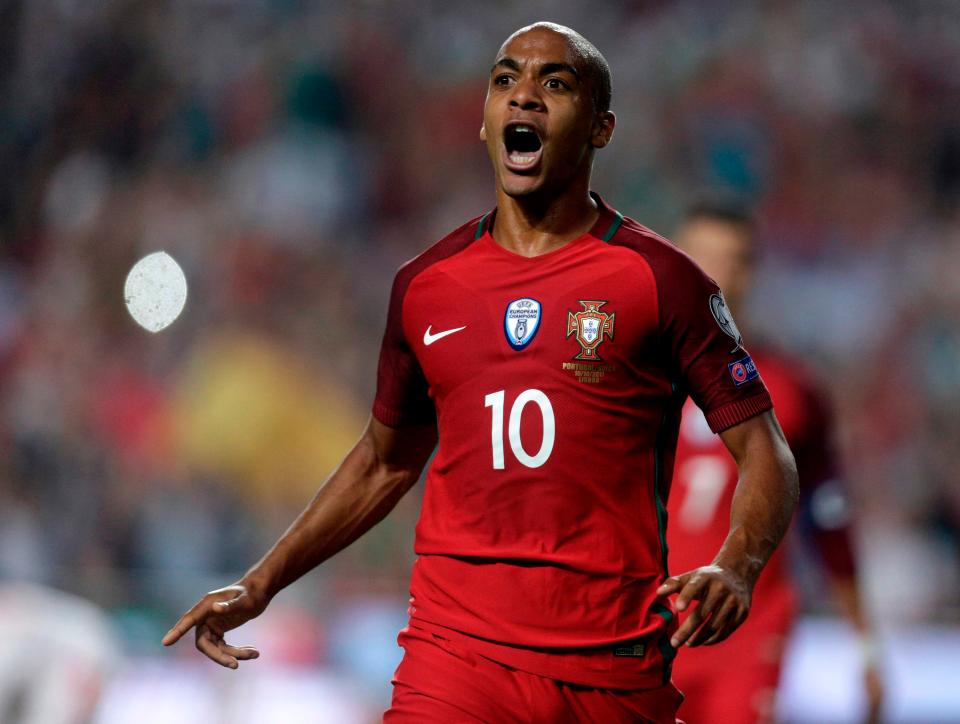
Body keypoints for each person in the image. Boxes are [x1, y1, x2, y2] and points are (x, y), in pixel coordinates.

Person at [162, 23, 798, 723]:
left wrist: (737, 567)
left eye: (554, 84)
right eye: (505, 81)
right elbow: (383, 462)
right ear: (486, 121)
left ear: (602, 127)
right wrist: (261, 583)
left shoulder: (662, 281)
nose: (524, 96)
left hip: (611, 666)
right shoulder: (425, 285)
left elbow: (766, 452)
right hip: (457, 657)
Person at [667, 203, 884, 723]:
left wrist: (866, 644)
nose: (715, 274)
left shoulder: (792, 389)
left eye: (733, 259)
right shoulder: (631, 376)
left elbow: (828, 517)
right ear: (675, 261)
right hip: (644, 624)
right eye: (701, 257)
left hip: (745, 631)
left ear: (752, 273)